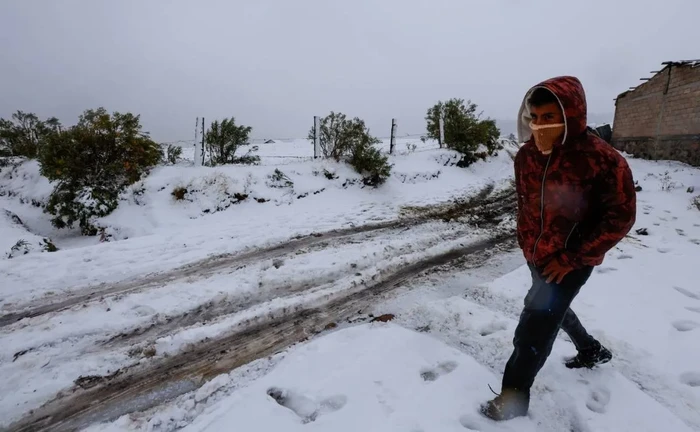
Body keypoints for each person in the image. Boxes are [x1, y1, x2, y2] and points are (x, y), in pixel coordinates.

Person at [480, 76, 637, 421]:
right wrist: (526, 241)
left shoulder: (602, 160)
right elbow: (527, 204)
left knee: (532, 329)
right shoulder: (526, 156)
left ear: (572, 115)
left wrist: (572, 258)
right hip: (536, 255)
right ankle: (591, 350)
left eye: (549, 116)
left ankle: (512, 402)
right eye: (534, 117)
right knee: (553, 307)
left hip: (572, 261)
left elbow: (620, 217)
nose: (540, 125)